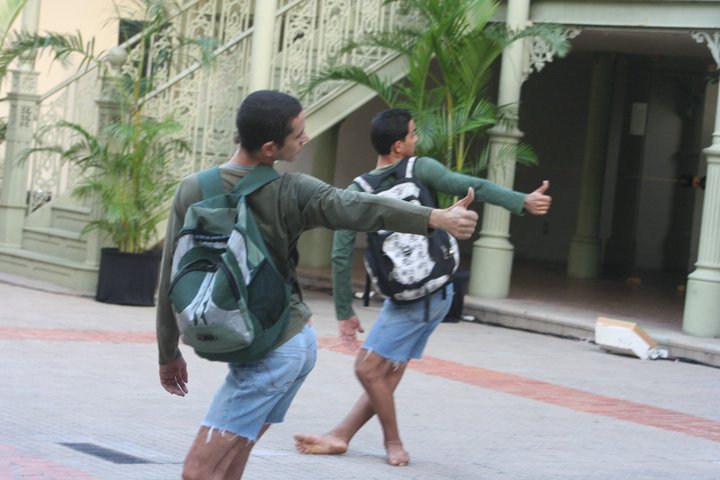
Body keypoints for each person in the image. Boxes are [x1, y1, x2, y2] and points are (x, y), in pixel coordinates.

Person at [155, 92, 480, 480]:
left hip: (270, 353)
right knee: (226, 467)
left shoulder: (193, 188)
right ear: (269, 148)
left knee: (198, 471)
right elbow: (362, 208)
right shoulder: (293, 190)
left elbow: (170, 275)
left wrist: (167, 352)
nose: (306, 138)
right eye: (299, 133)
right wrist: (435, 217)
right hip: (290, 345)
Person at [294, 108, 552, 466]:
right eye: (413, 134)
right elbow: (474, 186)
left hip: (415, 297)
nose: (417, 139)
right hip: (433, 293)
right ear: (398, 146)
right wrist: (521, 200)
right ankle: (342, 435)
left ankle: (392, 443)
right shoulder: (421, 169)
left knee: (368, 370)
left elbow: (341, 252)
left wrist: (344, 311)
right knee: (382, 372)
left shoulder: (359, 189)